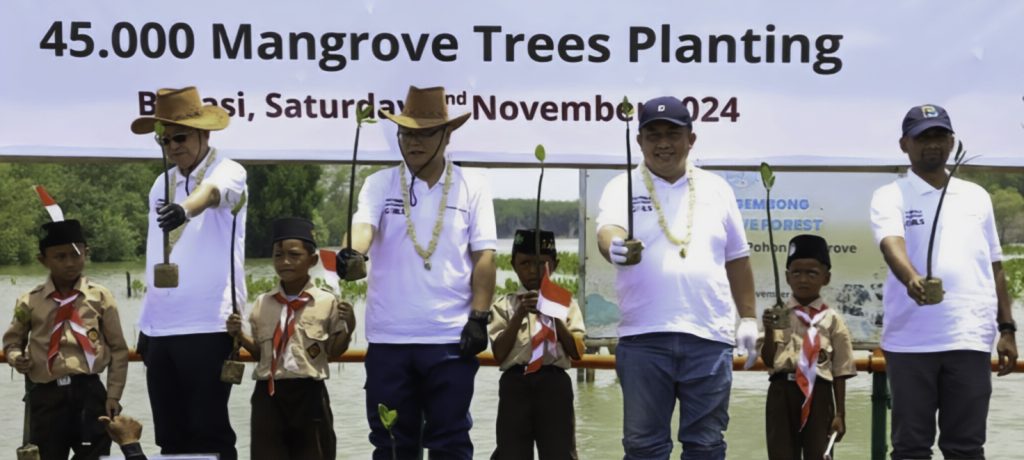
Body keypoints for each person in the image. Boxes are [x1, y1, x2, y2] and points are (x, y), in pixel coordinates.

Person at [595, 96, 758, 460]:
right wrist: (615, 246)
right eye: (653, 135)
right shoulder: (621, 185)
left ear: (691, 139)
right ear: (639, 141)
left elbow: (737, 258)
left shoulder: (718, 188)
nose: (663, 143)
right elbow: (608, 231)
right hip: (643, 339)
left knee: (706, 445)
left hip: (709, 338)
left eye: (673, 133)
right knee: (643, 447)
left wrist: (747, 317)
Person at [339, 85, 497, 459]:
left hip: (449, 340)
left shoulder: (473, 185)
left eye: (425, 133)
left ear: (446, 135)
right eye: (407, 133)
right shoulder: (379, 183)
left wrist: (479, 316)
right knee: (392, 443)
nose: (414, 142)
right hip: (389, 341)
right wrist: (351, 252)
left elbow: (485, 258)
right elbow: (362, 228)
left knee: (451, 442)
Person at [869, 104, 1018, 460]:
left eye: (939, 135)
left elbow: (995, 265)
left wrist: (1008, 328)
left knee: (966, 447)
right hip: (911, 343)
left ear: (952, 141)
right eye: (923, 137)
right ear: (904, 144)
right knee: (910, 448)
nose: (932, 144)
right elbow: (892, 244)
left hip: (969, 339)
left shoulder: (976, 196)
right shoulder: (889, 195)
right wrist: (911, 279)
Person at [131, 86, 248, 459]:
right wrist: (147, 324)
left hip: (208, 325)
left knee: (209, 431)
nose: (174, 147)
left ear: (204, 134)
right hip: (161, 328)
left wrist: (185, 208)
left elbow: (211, 193)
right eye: (165, 140)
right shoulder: (159, 182)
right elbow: (155, 255)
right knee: (169, 435)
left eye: (180, 137)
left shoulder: (228, 170)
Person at [226, 217, 355, 460]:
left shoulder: (326, 302)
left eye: (294, 255)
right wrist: (239, 335)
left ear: (312, 260)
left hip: (309, 394)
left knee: (315, 453)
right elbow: (260, 355)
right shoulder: (262, 303)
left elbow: (334, 351)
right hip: (268, 396)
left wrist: (350, 325)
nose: (285, 262)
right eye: (278, 255)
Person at [3, 220, 129, 460]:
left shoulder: (100, 297)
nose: (70, 262)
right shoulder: (29, 302)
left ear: (86, 253)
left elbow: (119, 350)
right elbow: (12, 342)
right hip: (46, 396)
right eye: (60, 257)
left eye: (76, 254)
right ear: (43, 260)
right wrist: (16, 358)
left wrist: (113, 395)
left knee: (95, 455)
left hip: (90, 393)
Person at [488, 229, 585, 460]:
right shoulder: (505, 304)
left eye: (542, 263)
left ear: (555, 264)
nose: (533, 270)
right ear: (513, 265)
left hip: (554, 384)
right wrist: (520, 312)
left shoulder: (565, 302)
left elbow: (577, 351)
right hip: (515, 384)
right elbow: (499, 354)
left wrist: (552, 314)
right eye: (525, 263)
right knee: (511, 452)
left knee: (560, 452)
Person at [760, 234, 856, 459]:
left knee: (819, 454)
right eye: (797, 273)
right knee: (781, 454)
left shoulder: (832, 320)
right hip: (782, 392)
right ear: (787, 277)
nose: (803, 279)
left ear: (826, 277)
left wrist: (840, 413)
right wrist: (769, 330)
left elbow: (840, 371)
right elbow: (767, 360)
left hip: (820, 394)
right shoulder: (777, 315)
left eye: (812, 273)